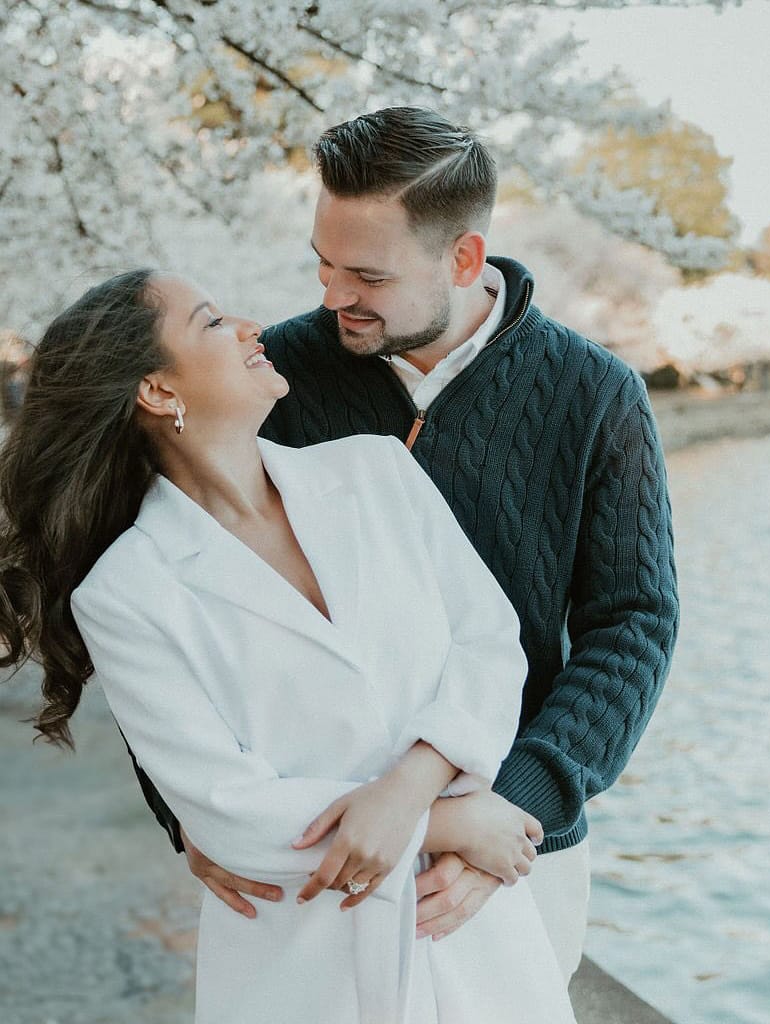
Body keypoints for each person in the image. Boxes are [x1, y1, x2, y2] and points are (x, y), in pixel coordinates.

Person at [133, 106, 681, 981]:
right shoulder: (271, 375)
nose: (333, 296)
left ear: (462, 258)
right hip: (315, 844)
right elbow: (166, 576)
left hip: (516, 845)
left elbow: (633, 624)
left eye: (367, 275)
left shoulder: (595, 393)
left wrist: (515, 809)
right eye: (323, 263)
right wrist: (186, 809)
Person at [0, 269, 577, 1023]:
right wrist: (446, 822)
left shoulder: (376, 470)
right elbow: (226, 808)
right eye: (211, 321)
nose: (250, 326)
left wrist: (411, 789)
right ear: (158, 391)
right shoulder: (126, 591)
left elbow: (489, 644)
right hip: (305, 957)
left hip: (468, 927)